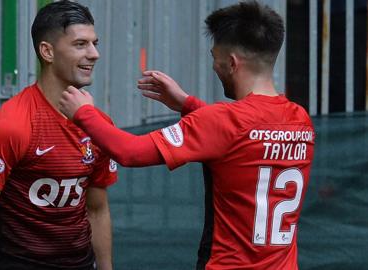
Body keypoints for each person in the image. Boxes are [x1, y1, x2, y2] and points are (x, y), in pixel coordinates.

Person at [58, 1, 315, 269]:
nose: (214, 66)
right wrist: (187, 104)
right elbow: (243, 135)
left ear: (232, 62)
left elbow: (130, 152)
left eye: (214, 57)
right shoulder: (299, 119)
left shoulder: (224, 121)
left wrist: (84, 113)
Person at [0, 1, 117, 269]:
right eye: (81, 44)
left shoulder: (98, 124)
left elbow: (97, 210)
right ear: (47, 51)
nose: (94, 54)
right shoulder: (12, 125)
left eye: (94, 43)